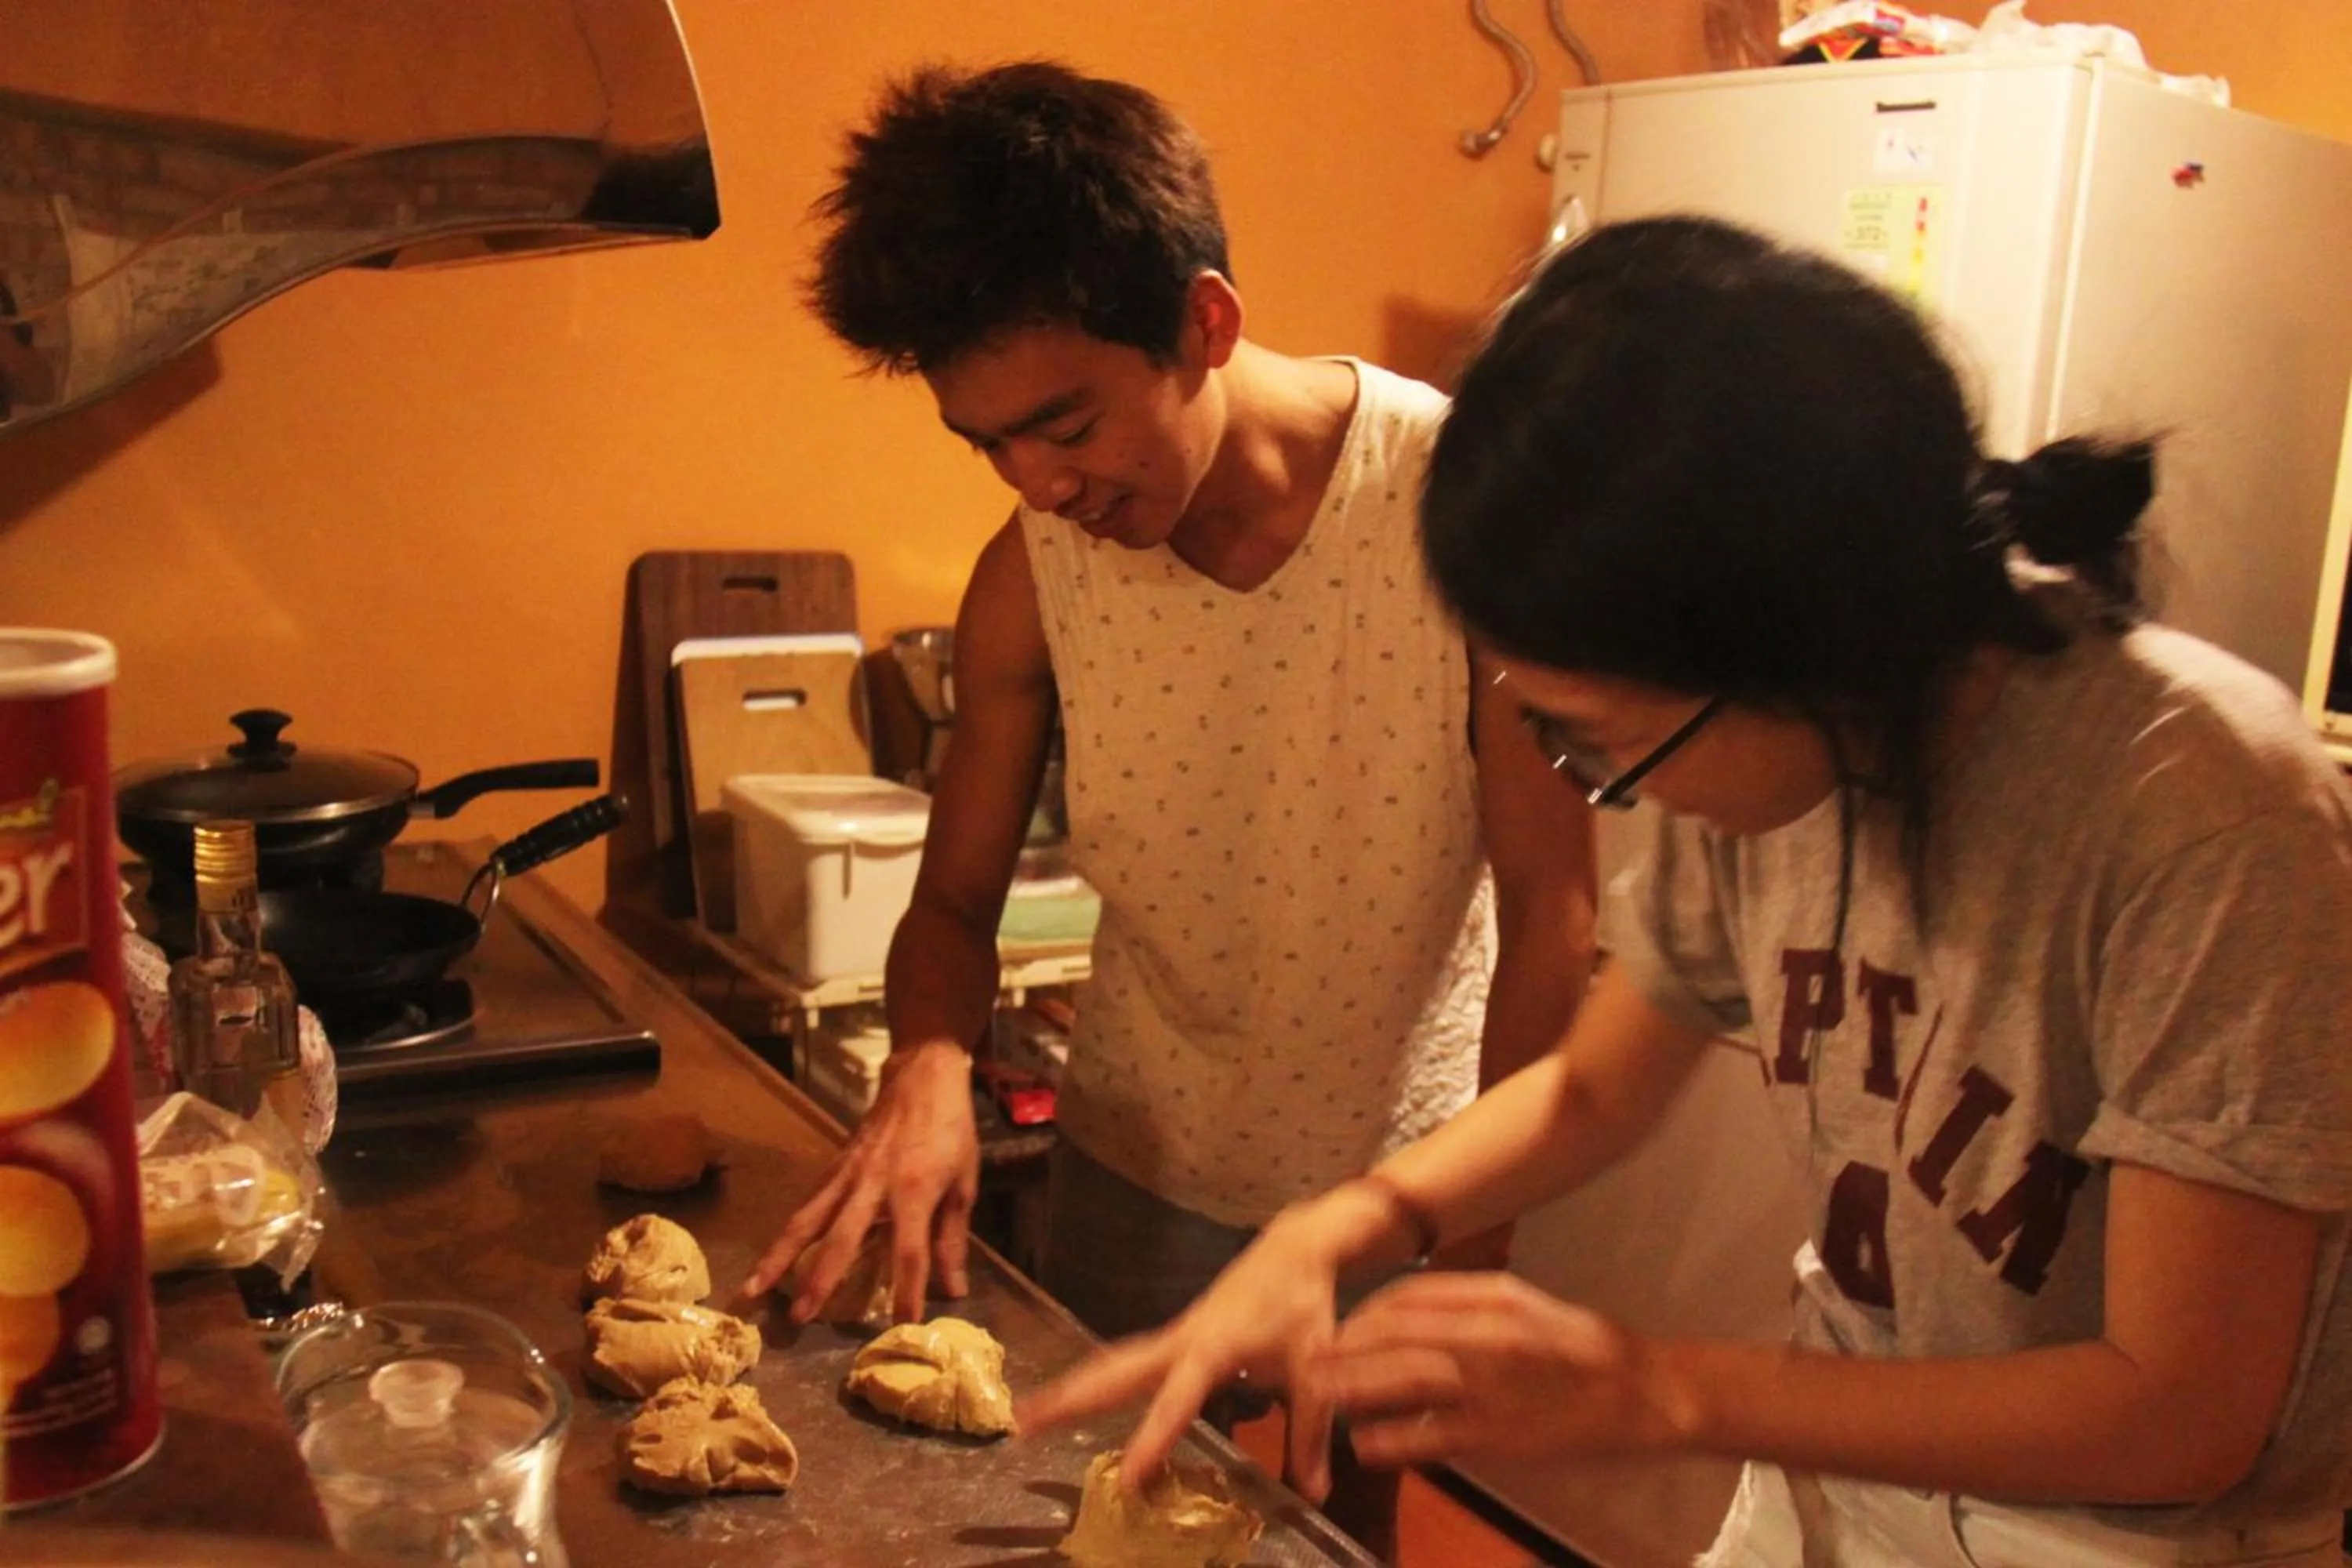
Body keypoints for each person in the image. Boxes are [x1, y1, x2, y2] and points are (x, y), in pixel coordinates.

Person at [1018, 214, 2352, 1566]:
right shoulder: (1791, 737)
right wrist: (1351, 1224)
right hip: (1835, 1468)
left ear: (1799, 640)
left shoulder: (2205, 817)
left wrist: (1656, 1387)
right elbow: (1597, 1086)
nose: (1612, 788)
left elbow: (2179, 1411)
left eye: (1598, 740)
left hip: (2127, 1538)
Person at [736, 60, 1595, 1553]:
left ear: (1205, 321)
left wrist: (1475, 1258)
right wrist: (930, 1057)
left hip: (1403, 1183)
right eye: (988, 441)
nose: (1037, 481)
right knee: (1087, 1528)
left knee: (1334, 1538)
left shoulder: (1462, 514)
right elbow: (952, 905)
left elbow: (1551, 925)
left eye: (1064, 423)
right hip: (1133, 1168)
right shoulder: (1033, 572)